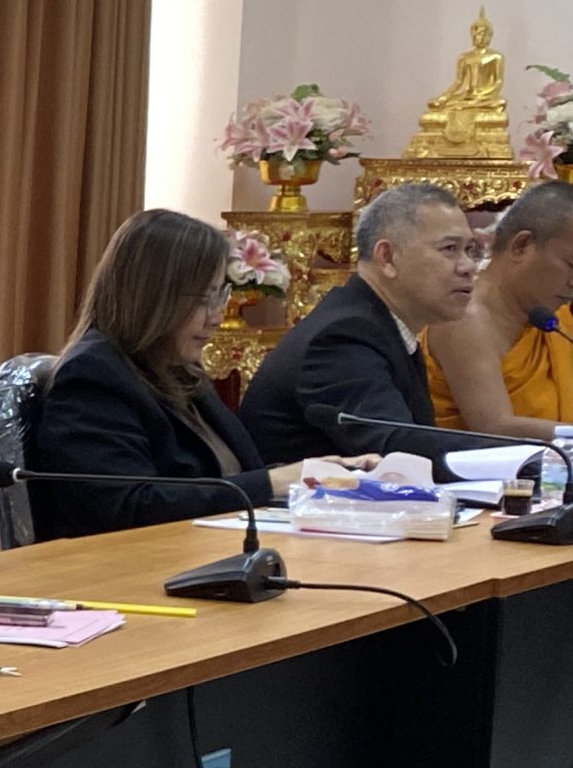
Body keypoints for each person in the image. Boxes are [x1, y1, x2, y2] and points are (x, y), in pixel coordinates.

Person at [28, 210, 371, 539]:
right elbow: (129, 507)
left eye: (220, 295)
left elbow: (233, 474)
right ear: (153, 297)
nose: (216, 317)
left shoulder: (180, 370)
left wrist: (315, 473)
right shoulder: (93, 378)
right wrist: (274, 482)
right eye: (204, 299)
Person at [424, 179, 573, 480]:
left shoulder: (551, 315)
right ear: (522, 245)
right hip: (473, 487)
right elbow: (495, 427)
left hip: (548, 479)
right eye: (572, 264)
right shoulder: (465, 316)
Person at [240, 182, 484, 477]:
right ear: (387, 257)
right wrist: (519, 458)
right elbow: (397, 450)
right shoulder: (342, 336)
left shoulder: (381, 323)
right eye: (450, 249)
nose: (468, 266)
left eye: (471, 250)